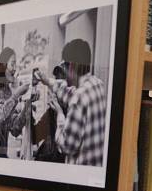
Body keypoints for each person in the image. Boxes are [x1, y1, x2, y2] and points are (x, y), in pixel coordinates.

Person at [40, 38, 106, 166]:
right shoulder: (97, 85)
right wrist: (47, 81)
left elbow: (67, 146)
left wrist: (60, 114)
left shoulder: (78, 98)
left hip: (80, 174)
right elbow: (70, 93)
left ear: (72, 66)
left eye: (65, 65)